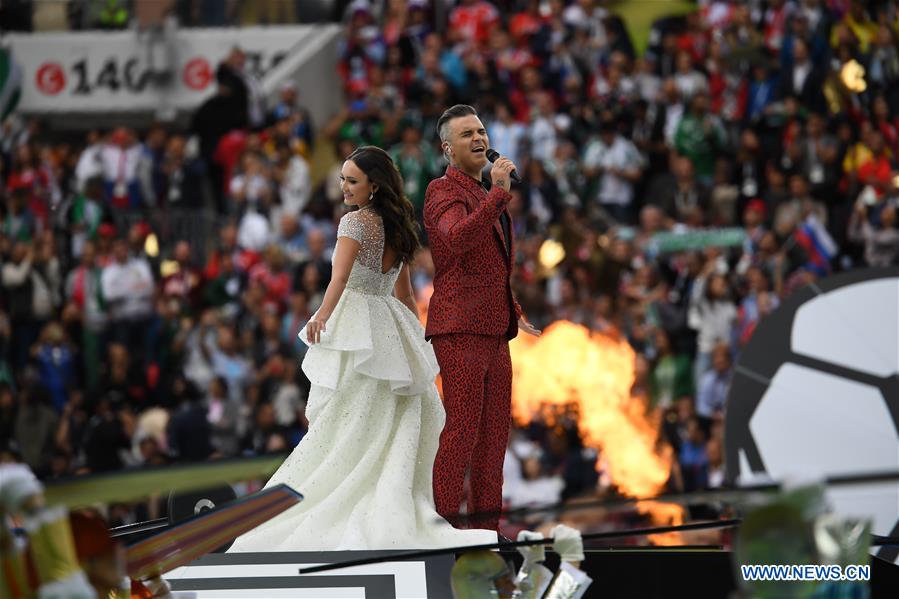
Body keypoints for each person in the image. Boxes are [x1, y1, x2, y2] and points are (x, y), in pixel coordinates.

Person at [228, 146, 496, 551]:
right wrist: (416, 340)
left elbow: (338, 280)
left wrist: (321, 316)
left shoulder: (354, 224)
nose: (344, 187)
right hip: (389, 322)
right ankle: (382, 500)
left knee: (348, 421)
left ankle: (341, 499)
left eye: (352, 180)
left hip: (358, 323)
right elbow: (404, 296)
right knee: (381, 421)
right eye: (343, 179)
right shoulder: (400, 226)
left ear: (374, 184)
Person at [424, 104, 540, 532]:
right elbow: (456, 241)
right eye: (467, 134)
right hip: (460, 329)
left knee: (494, 442)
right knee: (462, 432)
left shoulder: (489, 193)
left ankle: (485, 537)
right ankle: (439, 530)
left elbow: (491, 265)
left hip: (494, 330)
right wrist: (497, 194)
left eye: (481, 130)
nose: (479, 139)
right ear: (448, 149)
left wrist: (514, 310)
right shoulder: (442, 190)